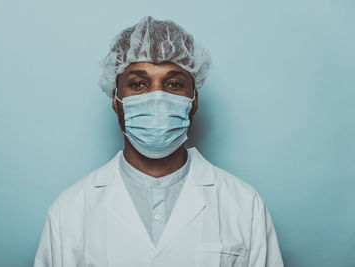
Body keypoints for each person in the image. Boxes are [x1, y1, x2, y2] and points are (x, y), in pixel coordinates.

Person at [34, 16, 284, 267]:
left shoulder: (243, 205)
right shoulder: (70, 211)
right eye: (138, 84)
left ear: (193, 99)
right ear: (116, 99)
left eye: (173, 84)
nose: (157, 97)